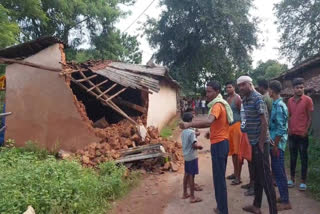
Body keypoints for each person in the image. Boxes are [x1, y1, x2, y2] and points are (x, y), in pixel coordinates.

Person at [180, 80, 233, 214]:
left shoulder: (217, 105)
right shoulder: (221, 104)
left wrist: (189, 124)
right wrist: (212, 131)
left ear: (217, 92)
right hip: (221, 142)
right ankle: (221, 207)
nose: (207, 94)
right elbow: (217, 123)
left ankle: (222, 209)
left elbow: (209, 121)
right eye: (206, 91)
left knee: (219, 179)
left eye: (210, 91)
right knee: (218, 177)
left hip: (220, 144)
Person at [237, 76, 277, 214]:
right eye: (239, 86)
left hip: (260, 143)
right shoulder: (245, 99)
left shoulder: (258, 98)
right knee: (258, 175)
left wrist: (261, 143)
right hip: (253, 142)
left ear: (250, 84)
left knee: (265, 177)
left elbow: (264, 122)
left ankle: (273, 211)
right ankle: (256, 206)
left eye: (243, 85)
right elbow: (248, 119)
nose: (241, 88)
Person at [268, 80, 292, 211]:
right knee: (278, 171)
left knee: (279, 172)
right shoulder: (277, 104)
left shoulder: (279, 106)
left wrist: (276, 145)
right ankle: (283, 196)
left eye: (269, 90)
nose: (268, 92)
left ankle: (285, 201)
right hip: (275, 143)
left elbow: (281, 128)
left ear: (272, 90)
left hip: (278, 144)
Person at [287, 77, 314, 191]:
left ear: (304, 88)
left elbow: (310, 118)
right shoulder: (289, 101)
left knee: (303, 158)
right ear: (293, 89)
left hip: (303, 134)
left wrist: (306, 131)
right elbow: (289, 116)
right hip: (292, 134)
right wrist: (288, 128)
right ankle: (292, 179)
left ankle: (303, 181)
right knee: (293, 157)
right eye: (297, 87)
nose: (299, 89)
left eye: (301, 87)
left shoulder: (308, 100)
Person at [181, 112, 203, 203]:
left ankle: (185, 193)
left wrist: (196, 132)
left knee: (186, 174)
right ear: (191, 121)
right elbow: (194, 145)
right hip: (192, 156)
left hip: (186, 156)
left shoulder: (184, 132)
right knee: (191, 176)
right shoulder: (191, 132)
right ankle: (192, 197)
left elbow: (194, 134)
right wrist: (199, 146)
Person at [225, 81, 243, 185]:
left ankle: (239, 177)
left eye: (230, 87)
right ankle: (235, 173)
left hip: (237, 126)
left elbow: (242, 112)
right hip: (230, 127)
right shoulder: (228, 99)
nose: (228, 89)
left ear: (234, 88)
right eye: (227, 87)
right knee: (232, 152)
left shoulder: (238, 98)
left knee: (238, 152)